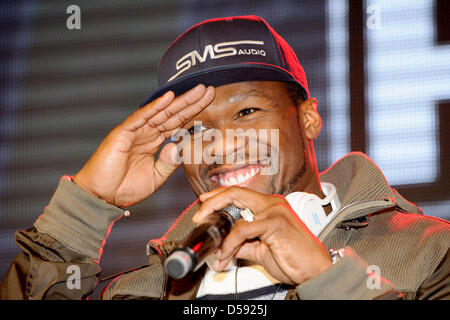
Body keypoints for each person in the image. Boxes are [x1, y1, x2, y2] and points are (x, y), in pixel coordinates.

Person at [1, 15, 449, 300]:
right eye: (194, 128)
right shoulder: (140, 289)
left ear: (309, 119)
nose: (217, 145)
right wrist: (87, 205)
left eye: (247, 111)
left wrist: (326, 279)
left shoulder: (430, 251)